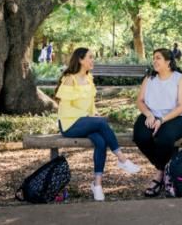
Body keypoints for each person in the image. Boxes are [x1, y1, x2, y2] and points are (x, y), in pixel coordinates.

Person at [55, 47, 141, 201]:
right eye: (90, 57)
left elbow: (90, 103)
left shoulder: (89, 78)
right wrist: (90, 118)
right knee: (101, 123)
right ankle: (122, 159)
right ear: (80, 60)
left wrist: (92, 114)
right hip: (69, 124)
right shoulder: (70, 79)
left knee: (101, 142)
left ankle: (97, 185)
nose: (92, 60)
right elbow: (65, 108)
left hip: (85, 121)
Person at [133, 48, 182, 197]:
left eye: (158, 58)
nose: (154, 61)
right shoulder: (149, 78)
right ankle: (168, 168)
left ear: (168, 62)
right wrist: (148, 114)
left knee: (165, 138)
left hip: (178, 117)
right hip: (152, 115)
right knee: (140, 136)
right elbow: (139, 101)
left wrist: (162, 120)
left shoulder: (180, 78)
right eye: (153, 58)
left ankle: (159, 175)